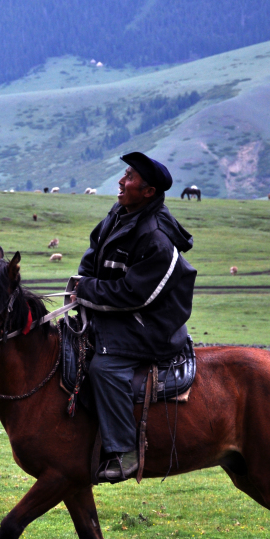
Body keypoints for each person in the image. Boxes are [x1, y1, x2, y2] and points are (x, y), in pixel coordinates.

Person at [73, 152, 197, 483]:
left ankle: (125, 451)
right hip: (120, 315)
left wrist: (86, 290)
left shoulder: (157, 238)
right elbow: (92, 257)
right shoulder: (119, 214)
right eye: (124, 173)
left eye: (129, 178)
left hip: (153, 326)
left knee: (104, 366)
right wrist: (83, 284)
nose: (121, 181)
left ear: (148, 192)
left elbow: (135, 295)